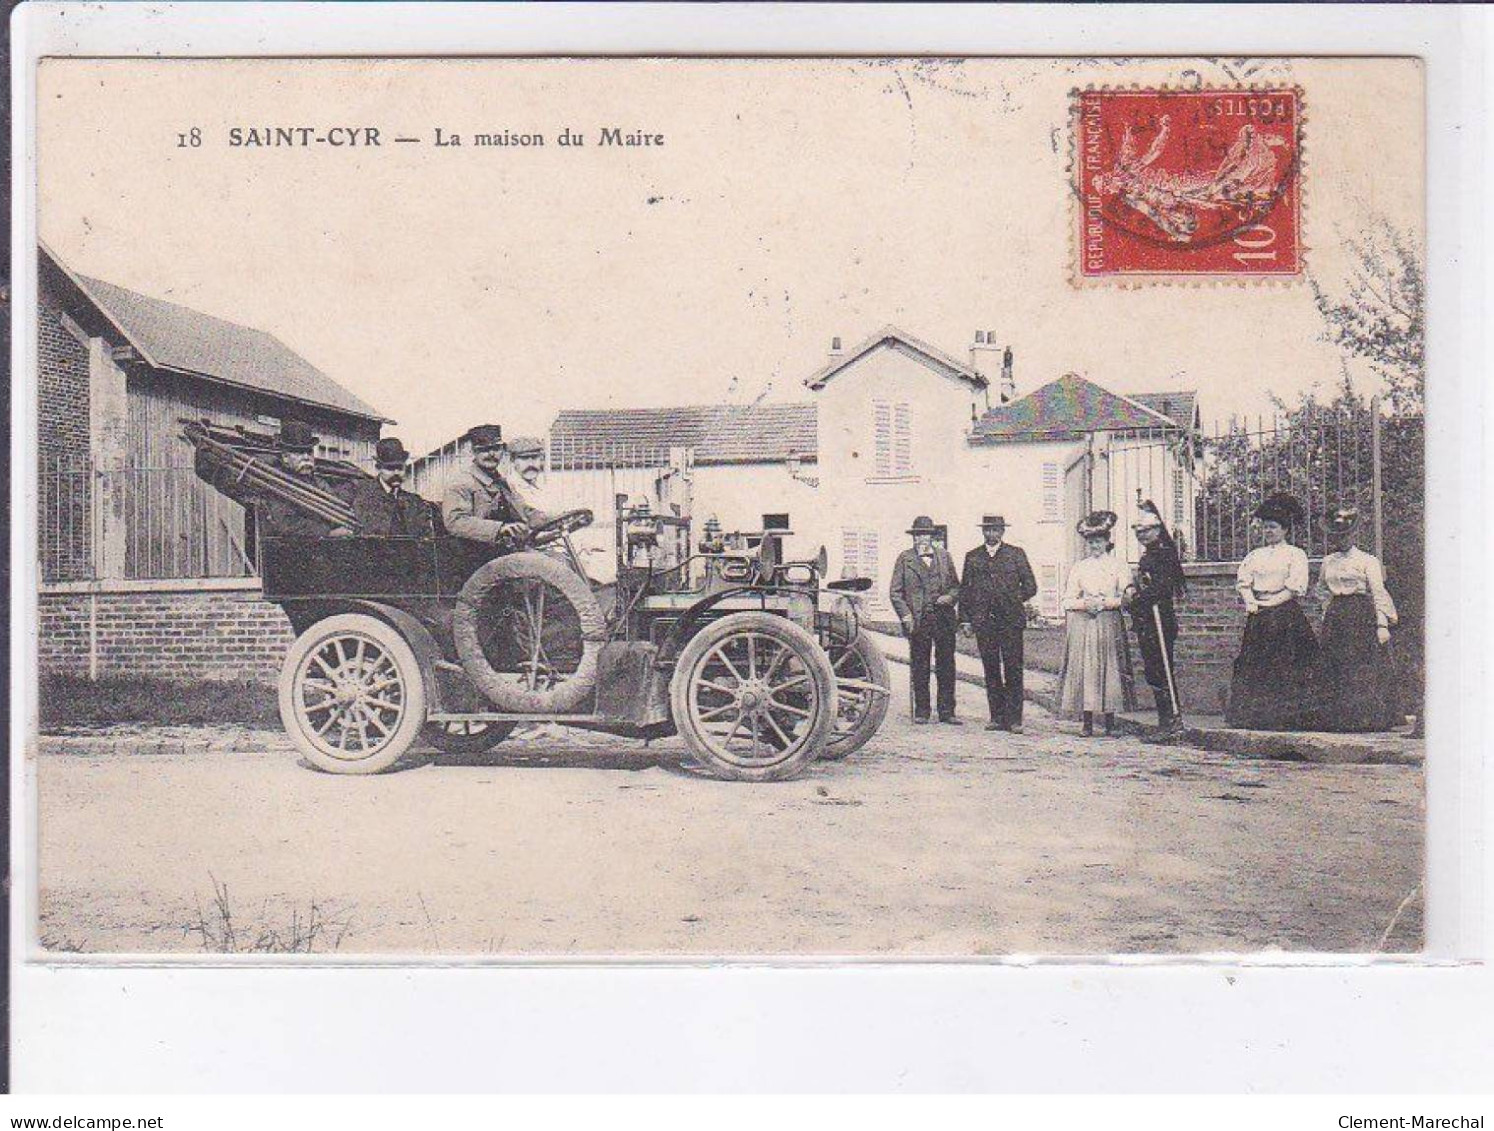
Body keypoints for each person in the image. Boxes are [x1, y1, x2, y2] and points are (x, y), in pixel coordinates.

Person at [1225, 492, 1320, 731]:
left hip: (1285, 615)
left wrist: (1271, 603)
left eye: (1274, 527)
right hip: (1259, 616)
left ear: (1285, 530)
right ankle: (1257, 716)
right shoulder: (1254, 555)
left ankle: (1287, 717)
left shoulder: (1295, 554)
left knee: (1287, 664)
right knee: (1255, 664)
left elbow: (1295, 587)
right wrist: (1251, 602)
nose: (1269, 532)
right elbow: (1244, 582)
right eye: (1266, 527)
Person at [1315, 506, 1400, 731]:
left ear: (1353, 535)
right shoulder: (1328, 561)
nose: (1340, 540)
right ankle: (1338, 719)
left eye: (1345, 535)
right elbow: (1321, 589)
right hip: (1337, 615)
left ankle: (1364, 719)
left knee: (1360, 666)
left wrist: (1382, 624)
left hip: (1360, 614)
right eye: (1336, 536)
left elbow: (1378, 592)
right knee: (1336, 664)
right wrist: (1328, 609)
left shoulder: (1367, 560)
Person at [194, 418, 349, 539]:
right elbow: (286, 524)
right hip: (284, 554)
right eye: (299, 453)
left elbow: (339, 512)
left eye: (308, 453)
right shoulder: (272, 481)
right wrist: (328, 532)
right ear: (285, 457)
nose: (306, 458)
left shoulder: (319, 483)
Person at [1057, 511, 1136, 736]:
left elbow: (1126, 596)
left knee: (1109, 669)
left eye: (1099, 541)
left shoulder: (1119, 566)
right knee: (1087, 670)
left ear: (1107, 542)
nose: (1095, 545)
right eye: (1091, 541)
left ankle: (1110, 722)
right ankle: (1087, 722)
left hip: (1109, 621)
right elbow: (1068, 599)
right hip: (1084, 623)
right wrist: (1085, 604)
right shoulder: (1080, 567)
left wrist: (1105, 603)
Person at [958, 514, 1038, 733]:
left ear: (1003, 532)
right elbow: (965, 591)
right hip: (984, 622)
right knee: (990, 668)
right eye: (988, 530)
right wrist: (965, 620)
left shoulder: (1016, 554)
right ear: (983, 532)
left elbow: (1031, 586)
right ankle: (996, 717)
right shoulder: (973, 557)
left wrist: (1012, 598)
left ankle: (1014, 719)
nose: (991, 534)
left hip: (1010, 621)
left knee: (1013, 668)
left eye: (996, 530)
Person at [889, 515, 962, 725]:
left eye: (926, 534)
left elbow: (956, 586)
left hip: (944, 618)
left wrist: (950, 597)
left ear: (932, 536)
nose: (923, 538)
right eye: (919, 534)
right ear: (913, 537)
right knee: (920, 665)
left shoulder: (945, 557)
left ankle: (947, 711)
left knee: (946, 665)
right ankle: (922, 711)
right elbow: (895, 592)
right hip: (918, 620)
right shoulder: (905, 559)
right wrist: (906, 616)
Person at [1128, 500, 1187, 740]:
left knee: (1161, 668)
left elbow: (1161, 589)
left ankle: (1172, 719)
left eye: (1146, 531)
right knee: (1153, 669)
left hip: (1160, 618)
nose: (1142, 536)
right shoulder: (1149, 554)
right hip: (1147, 620)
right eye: (1138, 532)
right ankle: (1164, 719)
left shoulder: (1163, 554)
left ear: (1157, 530)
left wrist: (1137, 598)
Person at [441, 424, 550, 550]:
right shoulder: (461, 483)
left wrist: (553, 520)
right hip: (476, 557)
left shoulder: (501, 483)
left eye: (496, 448)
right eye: (484, 450)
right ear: (473, 452)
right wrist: (500, 528)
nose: (491, 454)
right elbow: (455, 522)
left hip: (505, 551)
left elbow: (524, 511)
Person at [345, 437, 435, 537]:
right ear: (378, 468)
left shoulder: (415, 502)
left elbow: (426, 539)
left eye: (400, 467)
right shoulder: (358, 493)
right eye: (390, 468)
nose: (396, 473)